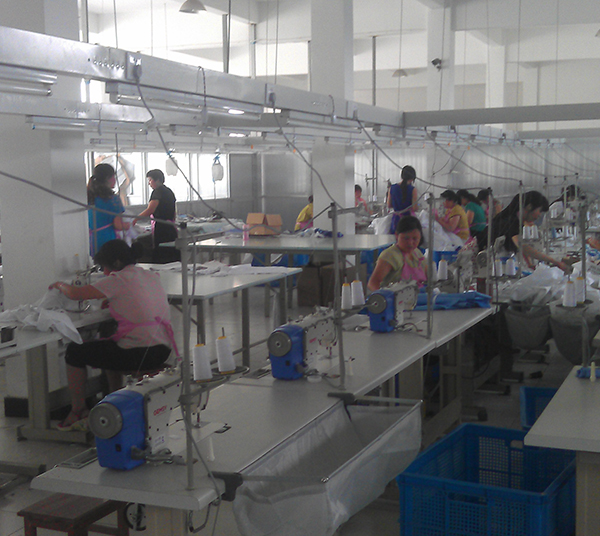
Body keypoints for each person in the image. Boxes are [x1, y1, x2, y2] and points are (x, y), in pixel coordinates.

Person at [49, 240, 175, 431]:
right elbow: (137, 300)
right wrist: (116, 301)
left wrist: (60, 285)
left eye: (104, 267)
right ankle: (114, 397)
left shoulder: (117, 279)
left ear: (116, 263)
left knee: (74, 351)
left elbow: (75, 294)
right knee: (109, 338)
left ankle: (78, 411)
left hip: (139, 353)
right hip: (162, 349)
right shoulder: (149, 275)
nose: (105, 272)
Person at [489, 190, 571, 273]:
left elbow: (520, 245)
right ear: (529, 207)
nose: (539, 215)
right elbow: (524, 247)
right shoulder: (511, 221)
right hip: (490, 264)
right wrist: (556, 262)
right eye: (539, 211)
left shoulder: (516, 221)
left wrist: (530, 264)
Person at [368, 215, 427, 290]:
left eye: (415, 239)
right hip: (396, 296)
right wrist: (385, 296)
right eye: (406, 238)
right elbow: (372, 284)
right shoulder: (390, 255)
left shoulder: (417, 253)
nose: (410, 243)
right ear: (396, 235)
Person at [135, 169, 178, 263]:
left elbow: (150, 210)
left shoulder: (157, 192)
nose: (149, 183)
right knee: (171, 254)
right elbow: (174, 212)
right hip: (171, 226)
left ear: (157, 180)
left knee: (162, 253)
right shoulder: (169, 191)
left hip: (161, 227)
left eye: (150, 180)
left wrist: (135, 220)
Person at [87, 163, 130, 256]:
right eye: (113, 176)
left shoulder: (89, 197)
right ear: (108, 178)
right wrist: (128, 225)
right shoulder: (113, 200)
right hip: (108, 239)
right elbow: (118, 225)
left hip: (90, 240)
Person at [387, 165, 418, 234]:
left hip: (396, 220)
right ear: (412, 178)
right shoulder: (413, 190)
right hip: (408, 221)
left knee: (395, 238)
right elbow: (415, 208)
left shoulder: (392, 188)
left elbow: (389, 205)